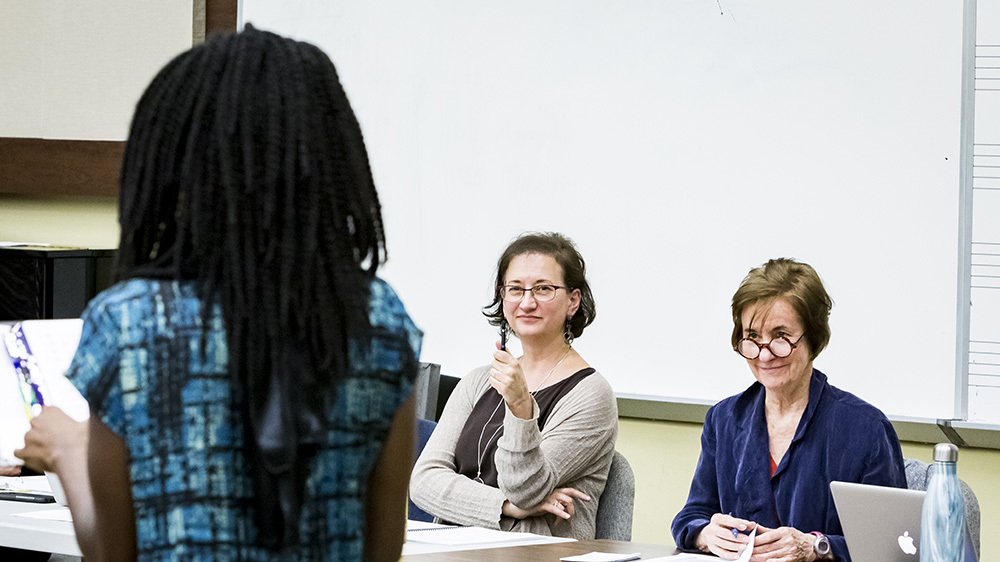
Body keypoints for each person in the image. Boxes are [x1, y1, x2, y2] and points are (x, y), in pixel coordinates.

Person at [15, 26, 422, 562]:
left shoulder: (130, 322)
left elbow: (113, 552)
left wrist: (69, 451)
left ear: (176, 160)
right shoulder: (378, 320)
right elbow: (383, 549)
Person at [671, 258, 906, 562]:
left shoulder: (865, 428)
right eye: (753, 337)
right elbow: (692, 514)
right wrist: (705, 534)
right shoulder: (725, 419)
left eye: (781, 336)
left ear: (814, 339)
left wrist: (817, 547)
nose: (765, 353)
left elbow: (894, 545)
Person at [409, 232, 617, 539]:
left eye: (544, 289)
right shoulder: (479, 380)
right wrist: (504, 506)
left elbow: (526, 490)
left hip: (536, 554)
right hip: (451, 548)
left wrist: (521, 408)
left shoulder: (591, 394)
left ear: (573, 301)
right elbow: (424, 481)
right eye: (516, 289)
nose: (527, 302)